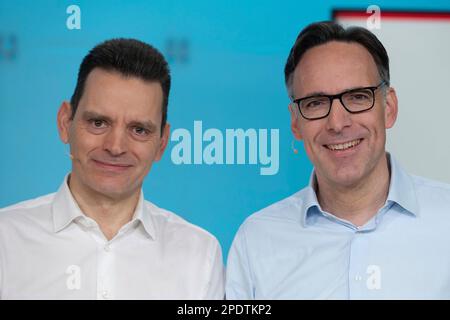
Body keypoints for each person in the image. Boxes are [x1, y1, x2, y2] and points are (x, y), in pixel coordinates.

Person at [226, 21, 450, 299]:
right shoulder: (256, 241)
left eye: (357, 97)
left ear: (389, 108)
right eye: (316, 103)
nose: (337, 123)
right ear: (295, 123)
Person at [0, 38, 224, 299]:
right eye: (98, 123)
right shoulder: (5, 240)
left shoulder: (200, 255)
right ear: (65, 122)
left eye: (139, 130)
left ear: (162, 143)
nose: (116, 146)